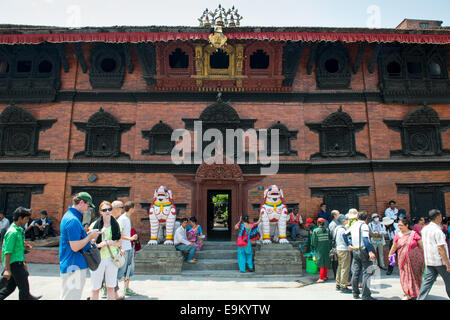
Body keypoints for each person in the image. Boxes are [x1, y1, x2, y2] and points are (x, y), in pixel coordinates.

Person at [59, 192, 101, 300]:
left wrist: (87, 235)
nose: (88, 209)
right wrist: (90, 236)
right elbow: (75, 246)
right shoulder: (73, 220)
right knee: (71, 297)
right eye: (88, 206)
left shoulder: (72, 217)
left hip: (73, 265)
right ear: (81, 202)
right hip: (74, 265)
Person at [0, 207, 41, 300]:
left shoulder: (19, 230)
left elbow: (17, 248)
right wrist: (7, 269)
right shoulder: (12, 232)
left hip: (18, 262)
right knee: (24, 288)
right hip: (14, 264)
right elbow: (7, 251)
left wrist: (25, 247)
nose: (27, 221)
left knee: (9, 287)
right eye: (26, 219)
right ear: (19, 218)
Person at [89, 201, 122, 300]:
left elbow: (120, 243)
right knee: (95, 288)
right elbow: (90, 243)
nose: (107, 211)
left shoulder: (116, 224)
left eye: (109, 209)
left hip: (112, 258)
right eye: (104, 210)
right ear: (100, 212)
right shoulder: (94, 225)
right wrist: (99, 245)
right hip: (97, 259)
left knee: (111, 287)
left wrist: (112, 242)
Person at [388, 217, 424, 300]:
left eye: (401, 225)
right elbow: (394, 247)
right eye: (399, 225)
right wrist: (390, 254)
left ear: (407, 225)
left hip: (416, 260)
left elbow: (421, 246)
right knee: (405, 276)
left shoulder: (414, 234)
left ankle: (417, 292)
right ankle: (408, 293)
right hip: (403, 260)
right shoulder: (398, 235)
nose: (399, 227)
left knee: (416, 275)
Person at [417, 209, 450, 300]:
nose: (441, 218)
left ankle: (420, 298)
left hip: (430, 260)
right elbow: (441, 248)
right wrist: (447, 263)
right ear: (437, 217)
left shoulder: (425, 229)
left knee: (427, 282)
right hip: (440, 261)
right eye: (440, 216)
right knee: (449, 281)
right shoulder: (437, 231)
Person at [348, 210, 377, 300]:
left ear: (357, 217)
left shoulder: (353, 225)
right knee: (367, 272)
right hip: (363, 250)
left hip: (355, 250)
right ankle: (366, 295)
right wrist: (370, 251)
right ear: (366, 218)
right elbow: (365, 239)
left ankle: (355, 293)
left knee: (355, 272)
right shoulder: (364, 226)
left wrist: (349, 244)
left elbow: (345, 234)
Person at [116, 201, 138, 297]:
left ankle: (126, 288)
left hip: (128, 247)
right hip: (123, 248)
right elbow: (119, 233)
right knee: (121, 269)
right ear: (131, 208)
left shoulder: (127, 218)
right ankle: (110, 287)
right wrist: (131, 238)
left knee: (129, 269)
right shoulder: (123, 219)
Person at [334, 214, 352, 293]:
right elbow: (345, 237)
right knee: (345, 267)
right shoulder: (342, 229)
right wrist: (349, 245)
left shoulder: (336, 228)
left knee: (340, 266)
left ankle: (338, 283)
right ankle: (343, 285)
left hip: (338, 248)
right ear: (343, 221)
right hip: (344, 249)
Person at [311, 217, 332, 283]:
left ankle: (321, 278)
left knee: (321, 263)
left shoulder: (315, 231)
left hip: (319, 249)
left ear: (318, 223)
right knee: (326, 262)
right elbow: (329, 239)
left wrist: (313, 248)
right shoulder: (327, 230)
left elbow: (313, 241)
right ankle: (325, 276)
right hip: (327, 248)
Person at [328, 210, 340, 279]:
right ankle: (336, 275)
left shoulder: (338, 223)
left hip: (338, 244)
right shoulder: (333, 224)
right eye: (338, 214)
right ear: (335, 216)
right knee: (335, 261)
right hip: (335, 244)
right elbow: (332, 235)